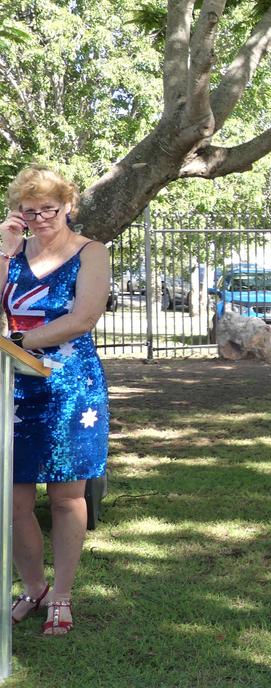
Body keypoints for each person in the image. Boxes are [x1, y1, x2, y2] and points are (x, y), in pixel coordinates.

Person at [1, 165, 111, 636]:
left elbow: (84, 317)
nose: (41, 216)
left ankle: (62, 595)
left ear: (69, 205)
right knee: (14, 499)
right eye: (30, 209)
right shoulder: (10, 252)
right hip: (14, 388)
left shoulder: (92, 253)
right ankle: (33, 588)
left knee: (67, 497)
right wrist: (5, 252)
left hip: (71, 389)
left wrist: (24, 341)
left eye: (49, 207)